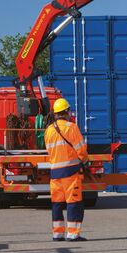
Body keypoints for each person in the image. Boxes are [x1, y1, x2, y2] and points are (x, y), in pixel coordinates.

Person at [44, 98, 89, 242]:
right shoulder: (71, 127)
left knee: (57, 204)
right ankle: (73, 234)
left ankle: (57, 234)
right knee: (74, 202)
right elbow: (81, 149)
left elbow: (49, 151)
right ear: (66, 112)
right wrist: (85, 161)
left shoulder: (48, 130)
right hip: (70, 172)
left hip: (55, 173)